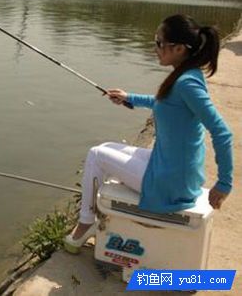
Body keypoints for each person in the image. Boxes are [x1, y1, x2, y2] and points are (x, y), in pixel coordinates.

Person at [64, 14, 234, 252]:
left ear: (177, 48)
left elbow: (222, 132)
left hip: (171, 183)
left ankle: (85, 223)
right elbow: (165, 103)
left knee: (95, 155)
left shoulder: (187, 83)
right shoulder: (187, 75)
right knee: (107, 148)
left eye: (158, 43)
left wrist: (224, 184)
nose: (155, 48)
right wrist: (129, 98)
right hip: (171, 168)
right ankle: (92, 215)